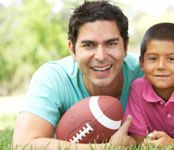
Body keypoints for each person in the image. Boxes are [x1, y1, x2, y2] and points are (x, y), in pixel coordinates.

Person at [12, 1, 143, 149]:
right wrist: (108, 147)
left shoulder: (147, 75)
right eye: (88, 45)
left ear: (125, 46)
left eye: (111, 43)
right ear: (72, 50)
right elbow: (22, 144)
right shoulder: (54, 77)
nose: (100, 56)